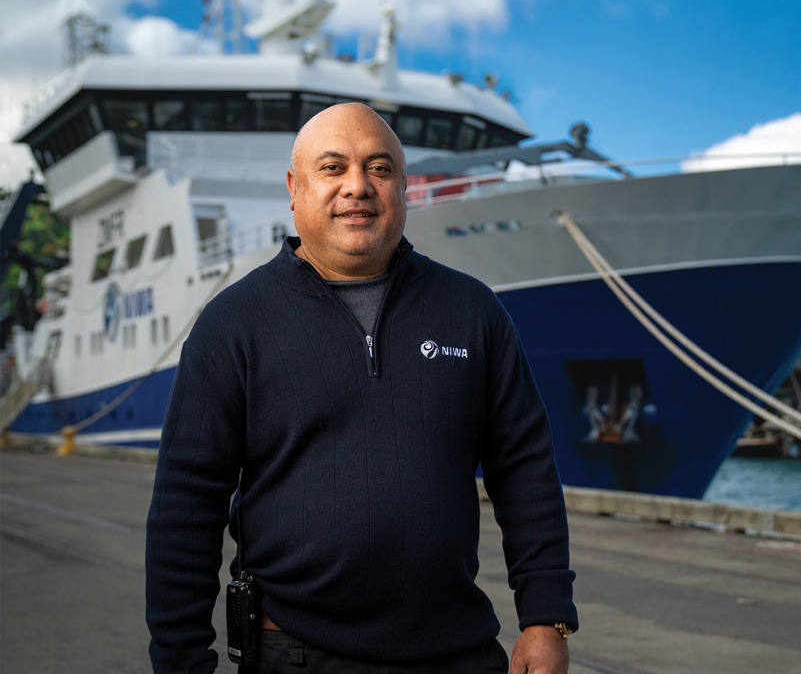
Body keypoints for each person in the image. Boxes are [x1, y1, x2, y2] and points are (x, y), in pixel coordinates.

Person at [146, 103, 577, 674]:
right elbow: (186, 507)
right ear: (294, 190)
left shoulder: (472, 311)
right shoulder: (234, 324)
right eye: (332, 168)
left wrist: (546, 618)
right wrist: (179, 663)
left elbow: (526, 472)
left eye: (379, 168)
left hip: (457, 650)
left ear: (403, 188)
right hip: (296, 654)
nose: (358, 186)